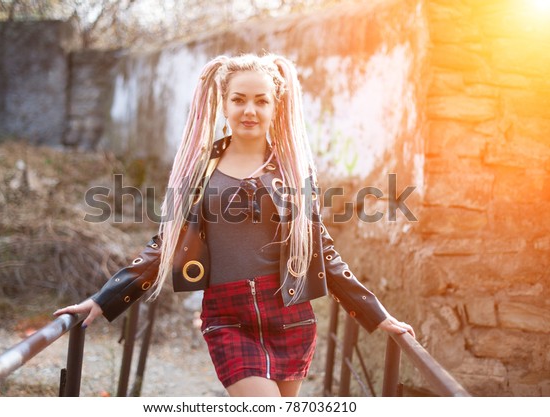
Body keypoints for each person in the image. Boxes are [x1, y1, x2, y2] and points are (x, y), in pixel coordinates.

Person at [54, 53, 415, 397]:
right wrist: (104, 299)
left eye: (261, 101)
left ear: (276, 108)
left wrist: (375, 314)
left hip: (289, 316)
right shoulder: (199, 171)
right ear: (224, 105)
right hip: (227, 318)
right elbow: (166, 244)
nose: (249, 110)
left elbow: (322, 247)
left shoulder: (292, 171)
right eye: (239, 100)